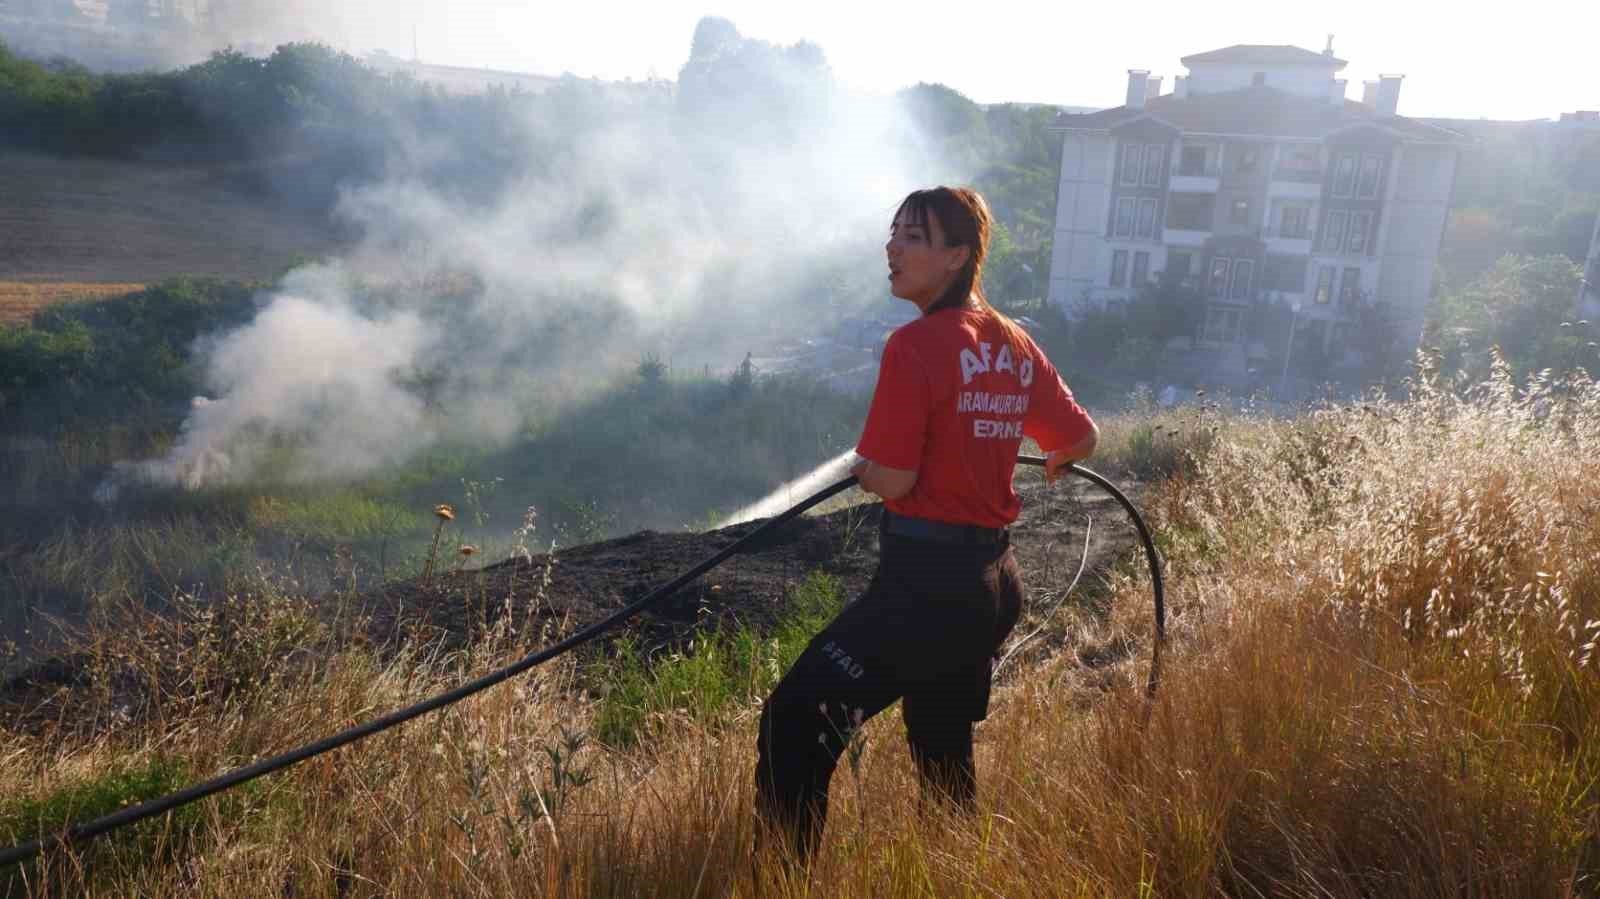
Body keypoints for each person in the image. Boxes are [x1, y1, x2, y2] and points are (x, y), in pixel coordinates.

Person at [753, 186, 1099, 862]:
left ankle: (778, 881)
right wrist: (1052, 458)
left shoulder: (912, 346)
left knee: (792, 724)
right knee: (942, 750)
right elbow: (1080, 437)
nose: (893, 247)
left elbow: (894, 478)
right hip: (990, 586)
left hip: (924, 590)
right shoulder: (1015, 343)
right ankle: (954, 873)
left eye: (913, 236)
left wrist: (868, 469)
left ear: (956, 256)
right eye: (894, 232)